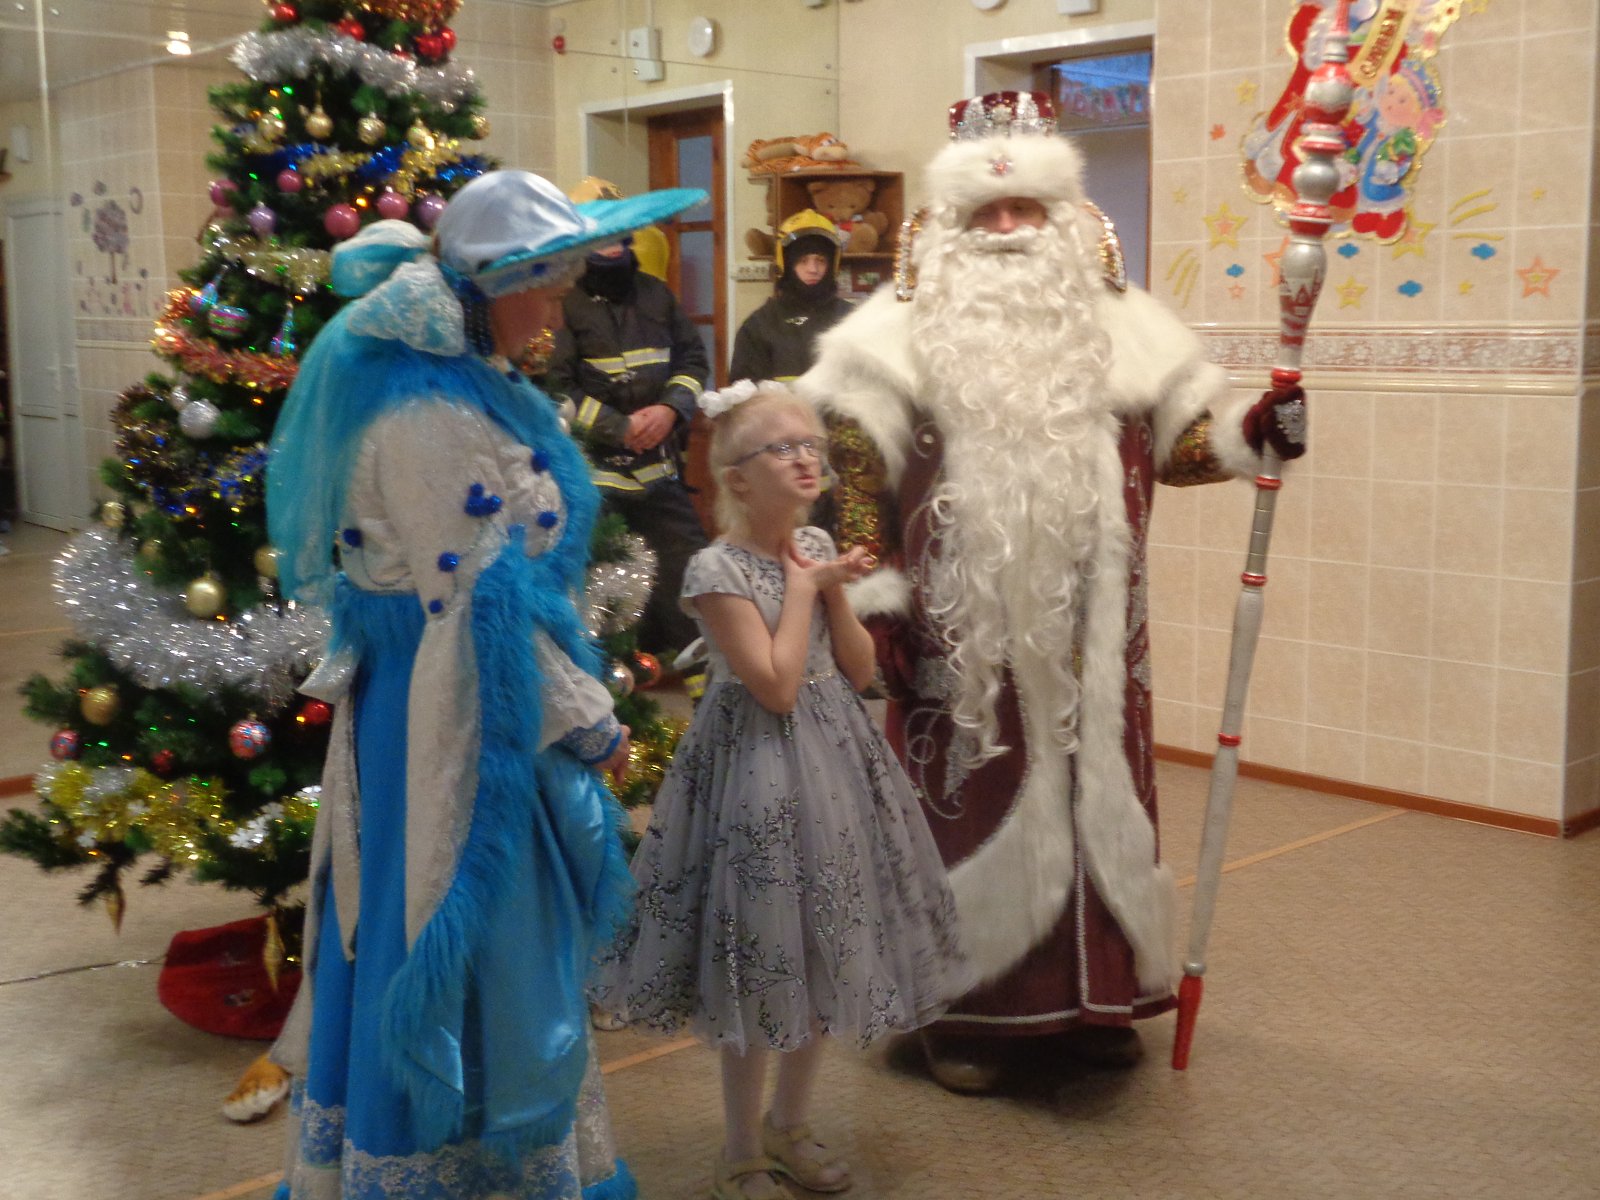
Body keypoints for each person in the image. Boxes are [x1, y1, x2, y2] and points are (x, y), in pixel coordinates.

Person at [799, 91, 1308, 1093]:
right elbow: (854, 479)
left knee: (1098, 802)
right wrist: (873, 603)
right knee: (963, 810)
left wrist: (1256, 430)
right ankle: (964, 1015)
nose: (1006, 229)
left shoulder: (1128, 329)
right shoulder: (882, 339)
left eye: (1024, 209)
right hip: (957, 641)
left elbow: (1183, 450)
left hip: (1096, 637)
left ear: (1062, 216)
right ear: (948, 223)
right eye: (986, 213)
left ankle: (1094, 1001)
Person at [265, 170, 704, 1199]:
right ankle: (442, 1166)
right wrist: (591, 727)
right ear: (486, 289)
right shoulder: (429, 413)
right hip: (450, 724)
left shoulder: (470, 384)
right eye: (540, 289)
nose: (553, 312)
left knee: (505, 944)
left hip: (472, 702)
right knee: (454, 926)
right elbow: (482, 610)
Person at [591, 380, 967, 1200]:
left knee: (825, 942)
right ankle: (739, 1148)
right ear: (737, 476)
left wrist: (828, 586)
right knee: (759, 957)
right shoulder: (715, 567)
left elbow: (859, 672)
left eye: (813, 448)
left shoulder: (815, 543)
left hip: (837, 768)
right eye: (784, 448)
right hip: (755, 773)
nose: (807, 460)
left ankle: (789, 1123)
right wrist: (803, 588)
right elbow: (775, 687)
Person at [542, 222, 711, 664]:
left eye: (618, 236)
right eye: (602, 238)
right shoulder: (565, 303)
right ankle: (616, 693)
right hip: (595, 479)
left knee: (691, 579)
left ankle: (704, 691)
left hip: (660, 472)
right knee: (605, 595)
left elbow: (693, 361)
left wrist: (670, 409)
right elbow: (556, 386)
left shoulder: (657, 295)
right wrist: (618, 427)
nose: (612, 246)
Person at [728, 211, 854, 385]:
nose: (813, 269)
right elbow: (744, 393)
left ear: (833, 264)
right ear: (786, 264)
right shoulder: (759, 325)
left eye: (820, 260)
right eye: (803, 261)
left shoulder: (854, 320)